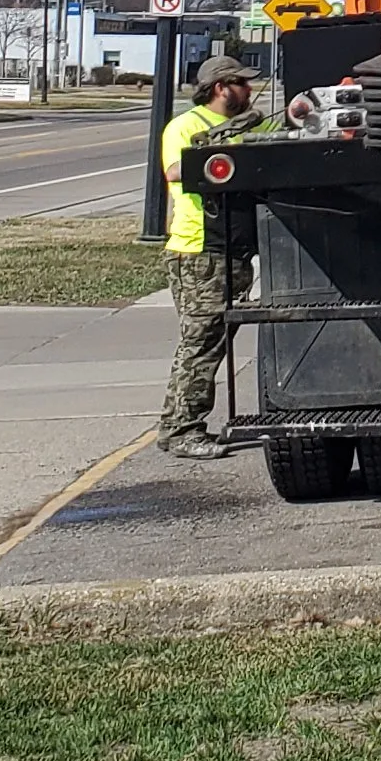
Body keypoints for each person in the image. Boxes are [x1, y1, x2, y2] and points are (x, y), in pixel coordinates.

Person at [157, 54, 259, 459]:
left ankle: (174, 424)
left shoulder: (251, 124)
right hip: (199, 251)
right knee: (200, 345)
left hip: (232, 249)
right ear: (220, 88)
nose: (249, 90)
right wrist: (223, 149)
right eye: (242, 83)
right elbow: (175, 170)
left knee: (208, 344)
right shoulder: (187, 126)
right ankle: (184, 430)